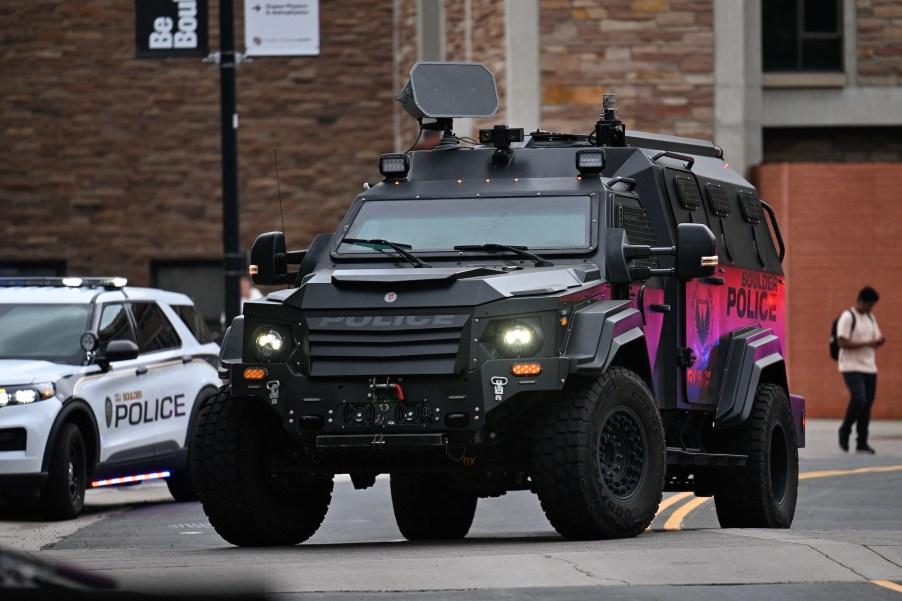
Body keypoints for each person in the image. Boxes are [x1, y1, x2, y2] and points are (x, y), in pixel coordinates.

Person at [837, 286, 885, 454]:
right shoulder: (848, 317)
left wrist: (878, 341)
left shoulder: (870, 318)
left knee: (867, 405)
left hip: (870, 367)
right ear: (861, 301)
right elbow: (842, 342)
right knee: (859, 399)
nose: (870, 308)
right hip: (851, 366)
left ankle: (862, 442)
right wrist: (868, 343)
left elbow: (876, 337)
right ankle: (844, 430)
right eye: (869, 305)